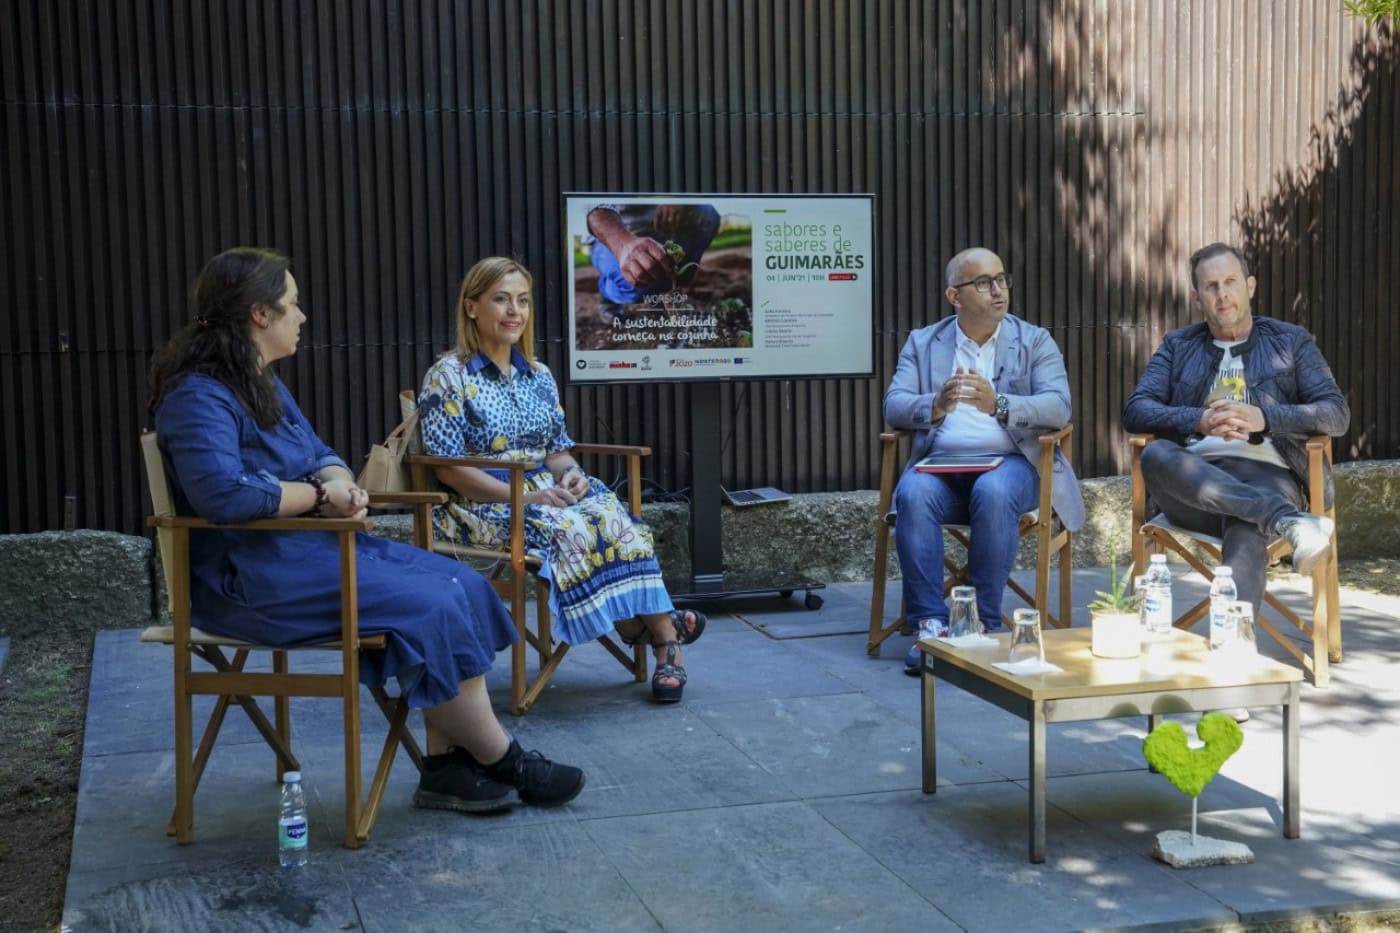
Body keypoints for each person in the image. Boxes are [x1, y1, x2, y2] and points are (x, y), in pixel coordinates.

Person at [149, 247, 584, 816]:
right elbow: (224, 495)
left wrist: (339, 482)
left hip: (309, 551)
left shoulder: (263, 384)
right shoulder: (198, 395)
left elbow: (320, 452)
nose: (302, 317)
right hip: (251, 579)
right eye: (293, 305)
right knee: (431, 604)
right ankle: (507, 760)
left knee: (460, 582)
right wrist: (320, 496)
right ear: (259, 314)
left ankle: (448, 766)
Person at [418, 256, 707, 703]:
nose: (514, 311)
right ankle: (662, 635)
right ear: (472, 307)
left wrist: (572, 475)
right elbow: (448, 468)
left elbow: (556, 450)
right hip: (481, 504)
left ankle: (648, 628)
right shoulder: (448, 376)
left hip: (541, 490)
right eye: (501, 300)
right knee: (573, 526)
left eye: (522, 301)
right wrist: (529, 499)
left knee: (612, 513)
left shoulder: (539, 375)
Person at [1123, 241, 1348, 623]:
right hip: (1192, 482)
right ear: (1197, 297)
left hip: (1268, 474)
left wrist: (1265, 418)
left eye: (1230, 282)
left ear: (1251, 286)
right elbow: (1136, 409)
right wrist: (1199, 420)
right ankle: (1284, 521)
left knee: (1245, 524)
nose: (1222, 293)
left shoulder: (1290, 341)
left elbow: (1335, 414)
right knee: (1157, 455)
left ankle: (1231, 647)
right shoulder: (1178, 346)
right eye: (1211, 286)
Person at [885, 247, 1085, 675]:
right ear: (954, 297)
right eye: (983, 283)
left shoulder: (1034, 340)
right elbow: (894, 405)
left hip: (1012, 464)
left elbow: (1059, 407)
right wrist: (934, 405)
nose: (998, 290)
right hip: (943, 469)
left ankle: (982, 626)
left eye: (1001, 279)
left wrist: (1002, 404)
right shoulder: (923, 343)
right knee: (913, 492)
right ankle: (931, 627)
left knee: (993, 491)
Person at [586, 203, 721, 323]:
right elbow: (595, 212)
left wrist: (679, 199)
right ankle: (607, 293)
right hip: (613, 235)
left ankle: (662, 291)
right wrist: (623, 245)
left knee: (708, 213)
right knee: (636, 281)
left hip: (663, 229)